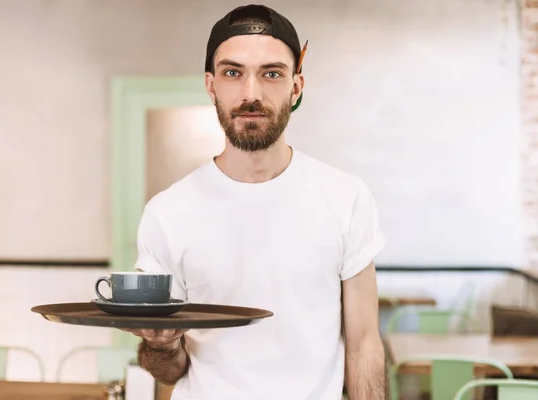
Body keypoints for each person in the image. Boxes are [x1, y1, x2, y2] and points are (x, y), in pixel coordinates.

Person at [123, 4, 387, 399]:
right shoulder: (167, 213)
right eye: (233, 73)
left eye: (272, 74)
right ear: (211, 84)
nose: (251, 93)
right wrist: (161, 344)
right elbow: (170, 371)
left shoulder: (345, 197)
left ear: (296, 86)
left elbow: (365, 345)